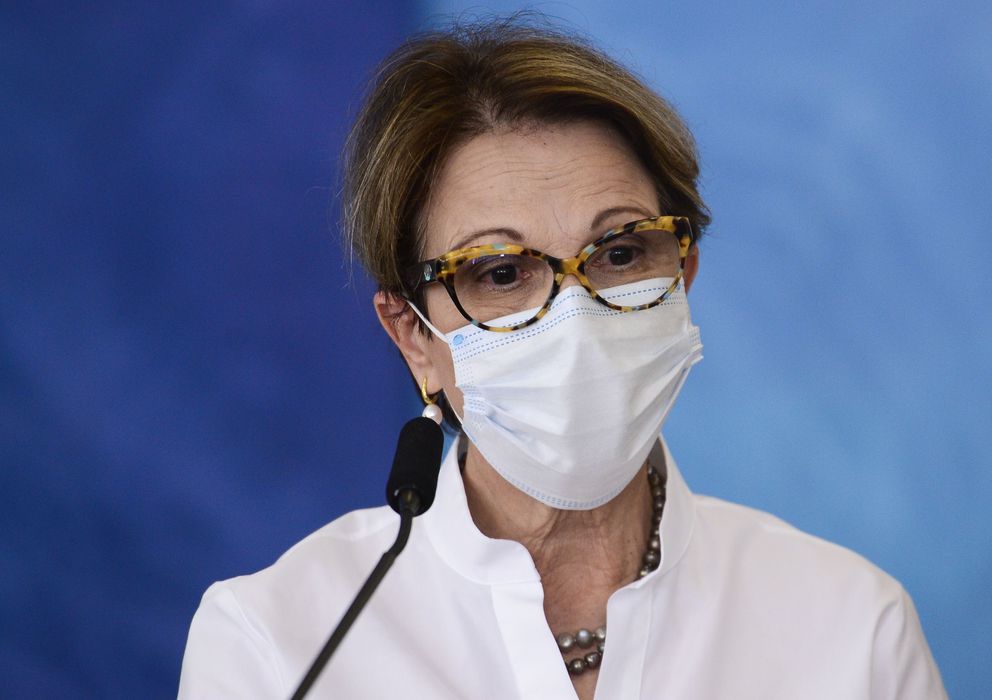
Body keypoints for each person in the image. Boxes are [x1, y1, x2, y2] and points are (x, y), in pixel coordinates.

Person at [178, 18, 946, 700]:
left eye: (620, 252)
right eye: (499, 273)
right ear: (413, 336)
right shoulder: (278, 646)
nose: (575, 318)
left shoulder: (851, 628)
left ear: (681, 278)